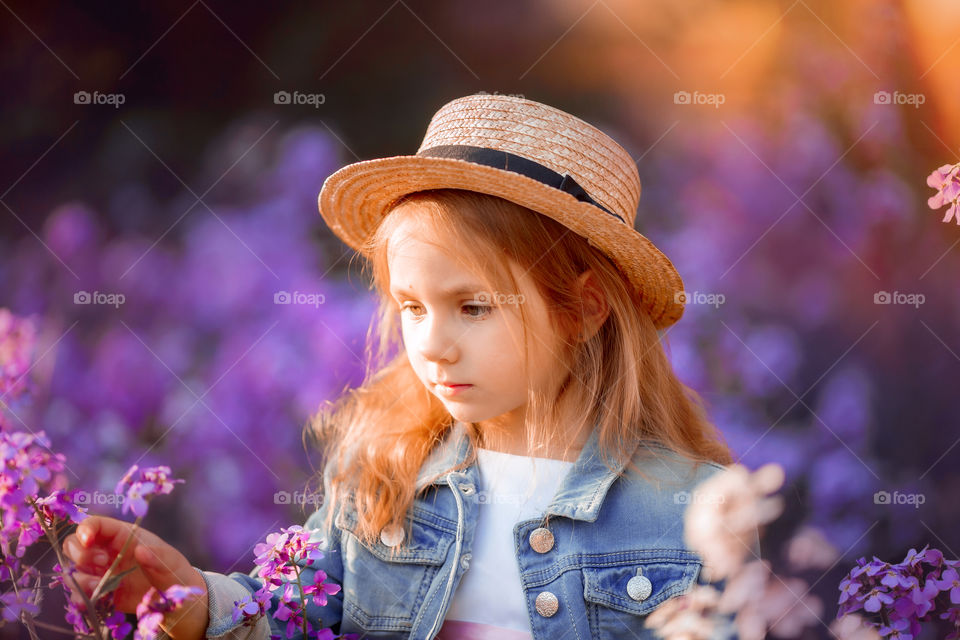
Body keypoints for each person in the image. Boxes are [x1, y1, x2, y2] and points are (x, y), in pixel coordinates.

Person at [62, 93, 754, 640]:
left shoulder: (693, 509)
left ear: (584, 309)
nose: (432, 344)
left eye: (474, 307)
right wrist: (187, 598)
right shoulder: (386, 473)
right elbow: (292, 615)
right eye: (412, 307)